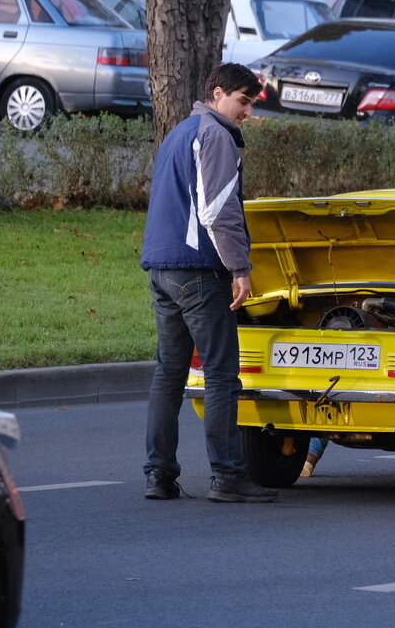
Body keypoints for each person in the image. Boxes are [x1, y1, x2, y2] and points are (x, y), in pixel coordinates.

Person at [139, 63, 276, 504]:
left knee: (169, 374)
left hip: (162, 268)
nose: (247, 112)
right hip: (199, 271)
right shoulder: (216, 135)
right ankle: (228, 476)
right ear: (218, 93)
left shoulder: (179, 132)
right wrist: (240, 268)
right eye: (243, 101)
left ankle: (158, 475)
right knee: (220, 374)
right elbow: (218, 211)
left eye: (252, 104)